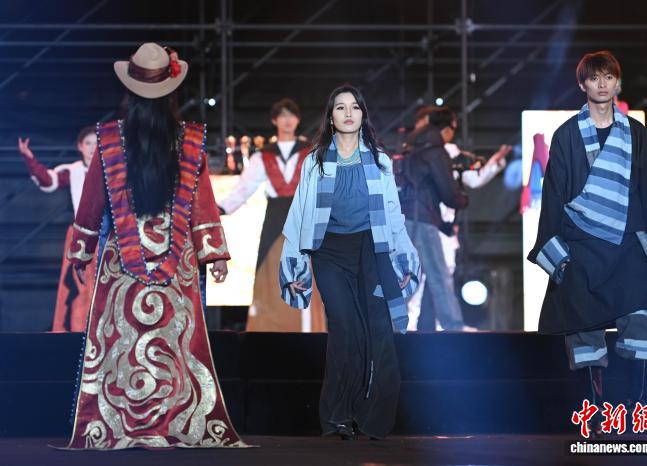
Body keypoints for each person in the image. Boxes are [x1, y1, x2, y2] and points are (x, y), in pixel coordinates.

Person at [63, 43, 246, 450]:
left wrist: (82, 249)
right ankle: (174, 421)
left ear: (129, 93)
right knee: (174, 343)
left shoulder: (108, 139)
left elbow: (92, 200)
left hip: (121, 261)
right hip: (177, 256)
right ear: (171, 92)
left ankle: (118, 424)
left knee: (122, 343)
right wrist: (213, 252)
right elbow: (202, 201)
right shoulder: (190, 139)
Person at [527, 50, 647, 433]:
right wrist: (556, 251)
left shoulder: (636, 134)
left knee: (639, 327)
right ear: (582, 84)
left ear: (617, 83)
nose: (602, 84)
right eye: (594, 78)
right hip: (581, 246)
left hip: (628, 245)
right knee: (585, 332)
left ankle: (636, 412)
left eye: (608, 77)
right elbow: (555, 195)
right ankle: (596, 416)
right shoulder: (566, 135)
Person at [279, 84, 420, 439]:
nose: (347, 113)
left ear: (362, 115)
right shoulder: (314, 161)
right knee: (344, 327)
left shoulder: (380, 161)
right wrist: (294, 263)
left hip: (371, 250)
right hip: (329, 252)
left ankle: (370, 418)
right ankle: (336, 417)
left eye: (354, 107)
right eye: (340, 107)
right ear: (331, 116)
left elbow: (393, 214)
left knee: (378, 329)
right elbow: (299, 213)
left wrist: (403, 259)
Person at [408, 107, 512, 331]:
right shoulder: (425, 151)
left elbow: (472, 178)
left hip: (441, 225)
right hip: (425, 221)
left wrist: (493, 163)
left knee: (441, 274)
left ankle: (435, 326)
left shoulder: (448, 152)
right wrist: (458, 199)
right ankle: (412, 325)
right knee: (420, 276)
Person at [220, 98, 316, 331]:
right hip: (275, 219)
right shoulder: (262, 156)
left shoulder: (311, 152)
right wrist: (219, 209)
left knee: (308, 271)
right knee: (270, 271)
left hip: (303, 217)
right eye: (282, 115)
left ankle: (309, 332)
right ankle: (270, 330)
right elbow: (244, 187)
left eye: (291, 115)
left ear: (298, 120)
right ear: (274, 120)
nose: (287, 120)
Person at [18, 127, 98, 332]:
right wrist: (29, 158)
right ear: (80, 147)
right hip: (80, 235)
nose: (92, 148)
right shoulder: (74, 171)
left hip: (105, 235)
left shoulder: (110, 171)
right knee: (77, 286)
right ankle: (77, 330)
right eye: (88, 143)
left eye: (96, 143)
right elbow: (48, 180)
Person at [398, 108, 468, 331]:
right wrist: (462, 199)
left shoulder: (411, 146)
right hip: (422, 219)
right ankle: (454, 328)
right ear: (446, 129)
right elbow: (447, 192)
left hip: (404, 217)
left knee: (406, 276)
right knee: (439, 275)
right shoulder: (435, 151)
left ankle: (392, 326)